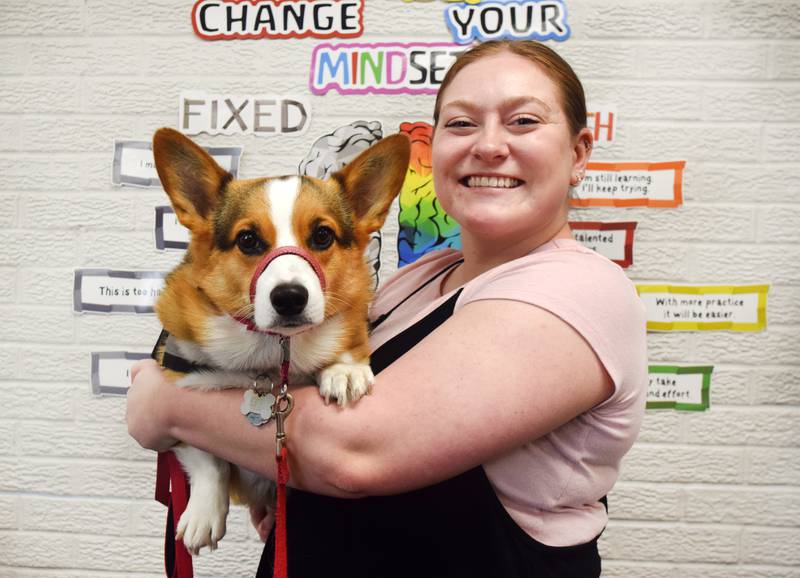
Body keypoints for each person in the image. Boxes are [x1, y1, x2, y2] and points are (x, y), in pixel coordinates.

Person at [127, 40, 648, 578]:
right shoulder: (417, 280)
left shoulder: (578, 290)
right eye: (461, 124)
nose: (489, 146)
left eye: (522, 121)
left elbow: (355, 455)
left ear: (580, 152)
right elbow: (303, 418)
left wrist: (167, 406)